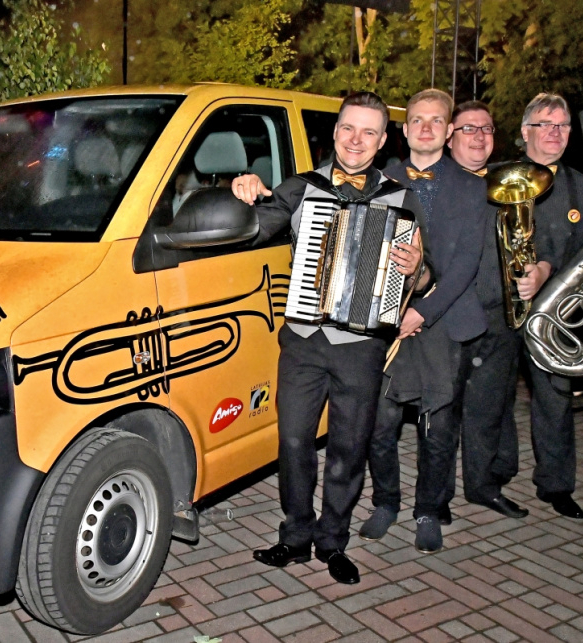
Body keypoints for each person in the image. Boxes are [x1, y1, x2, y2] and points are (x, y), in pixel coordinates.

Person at [230, 92, 425, 584]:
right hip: (304, 340)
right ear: (335, 132)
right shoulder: (302, 187)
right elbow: (253, 229)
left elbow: (423, 276)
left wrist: (416, 269)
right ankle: (295, 536)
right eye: (348, 128)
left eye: (368, 132)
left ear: (382, 141)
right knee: (294, 441)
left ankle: (333, 541)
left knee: (348, 448)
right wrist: (242, 191)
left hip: (362, 346)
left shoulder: (401, 198)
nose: (356, 140)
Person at [470, 93, 583, 521]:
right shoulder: (492, 177)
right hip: (498, 308)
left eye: (562, 125)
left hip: (555, 314)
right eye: (544, 124)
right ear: (524, 132)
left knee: (555, 399)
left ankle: (557, 485)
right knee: (493, 397)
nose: (554, 132)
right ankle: (496, 471)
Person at [359, 89, 487, 553]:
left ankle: (428, 510)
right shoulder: (379, 180)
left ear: (449, 130)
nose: (426, 128)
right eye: (417, 120)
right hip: (388, 321)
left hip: (445, 319)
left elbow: (467, 265)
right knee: (380, 423)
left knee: (438, 428)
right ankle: (385, 502)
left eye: (436, 121)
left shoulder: (474, 187)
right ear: (405, 128)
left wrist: (422, 311)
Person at [444, 101, 533, 520]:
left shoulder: (509, 185)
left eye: (487, 129)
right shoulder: (437, 182)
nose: (479, 136)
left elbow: (526, 245)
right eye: (469, 129)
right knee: (442, 412)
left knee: (488, 407)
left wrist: (535, 270)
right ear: (450, 136)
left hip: (498, 314)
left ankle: (482, 487)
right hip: (449, 313)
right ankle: (435, 499)